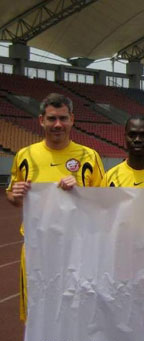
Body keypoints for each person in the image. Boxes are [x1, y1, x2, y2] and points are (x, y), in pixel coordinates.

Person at [6, 93, 105, 322]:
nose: (57, 124)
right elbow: (13, 195)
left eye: (63, 118)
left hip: (77, 247)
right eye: (52, 119)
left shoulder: (89, 156)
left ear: (72, 119)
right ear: (41, 120)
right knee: (36, 312)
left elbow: (102, 201)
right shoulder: (25, 156)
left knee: (77, 311)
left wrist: (80, 190)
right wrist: (15, 195)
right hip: (37, 247)